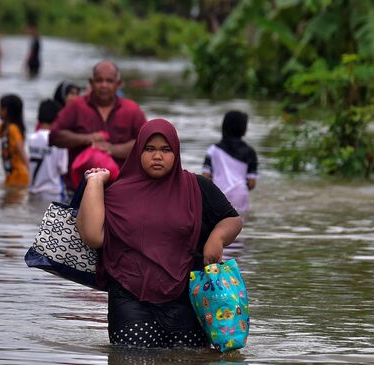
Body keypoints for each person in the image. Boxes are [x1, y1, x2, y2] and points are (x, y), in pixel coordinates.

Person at [76, 119, 243, 348]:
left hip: (187, 300)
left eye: (166, 150)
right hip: (129, 299)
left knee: (187, 360)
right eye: (150, 149)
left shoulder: (197, 187)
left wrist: (218, 238)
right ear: (138, 152)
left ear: (176, 152)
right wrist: (95, 182)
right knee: (131, 358)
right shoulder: (116, 193)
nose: (157, 156)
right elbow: (92, 235)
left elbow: (232, 219)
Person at [49, 60, 147, 188]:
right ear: (91, 83)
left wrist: (112, 149)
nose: (104, 85)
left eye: (109, 81)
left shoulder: (132, 110)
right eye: (99, 80)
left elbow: (146, 143)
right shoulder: (76, 106)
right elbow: (53, 136)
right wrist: (87, 138)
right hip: (78, 189)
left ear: (118, 84)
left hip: (121, 189)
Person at [202, 110, 258, 215]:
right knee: (240, 225)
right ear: (244, 129)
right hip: (240, 196)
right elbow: (251, 183)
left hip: (217, 195)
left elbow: (205, 178)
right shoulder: (250, 152)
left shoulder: (213, 150)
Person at [27, 99, 68, 202]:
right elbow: (63, 170)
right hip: (52, 194)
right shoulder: (59, 142)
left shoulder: (30, 139)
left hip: (32, 192)